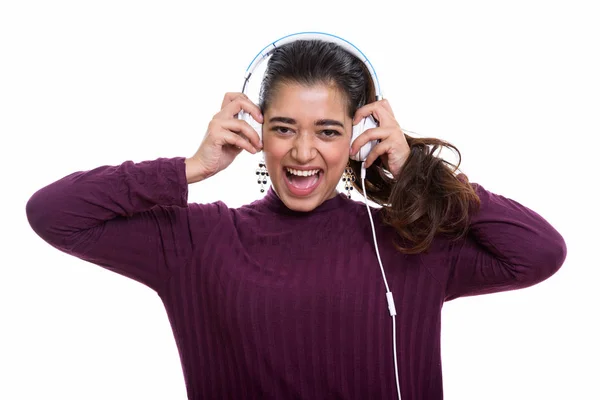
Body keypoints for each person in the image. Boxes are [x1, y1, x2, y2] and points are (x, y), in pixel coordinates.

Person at [26, 38, 567, 400]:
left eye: (328, 131)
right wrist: (191, 168)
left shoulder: (406, 241)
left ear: (359, 137)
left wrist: (416, 172)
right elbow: (54, 214)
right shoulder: (198, 239)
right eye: (284, 128)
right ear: (256, 132)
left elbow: (540, 251)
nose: (303, 151)